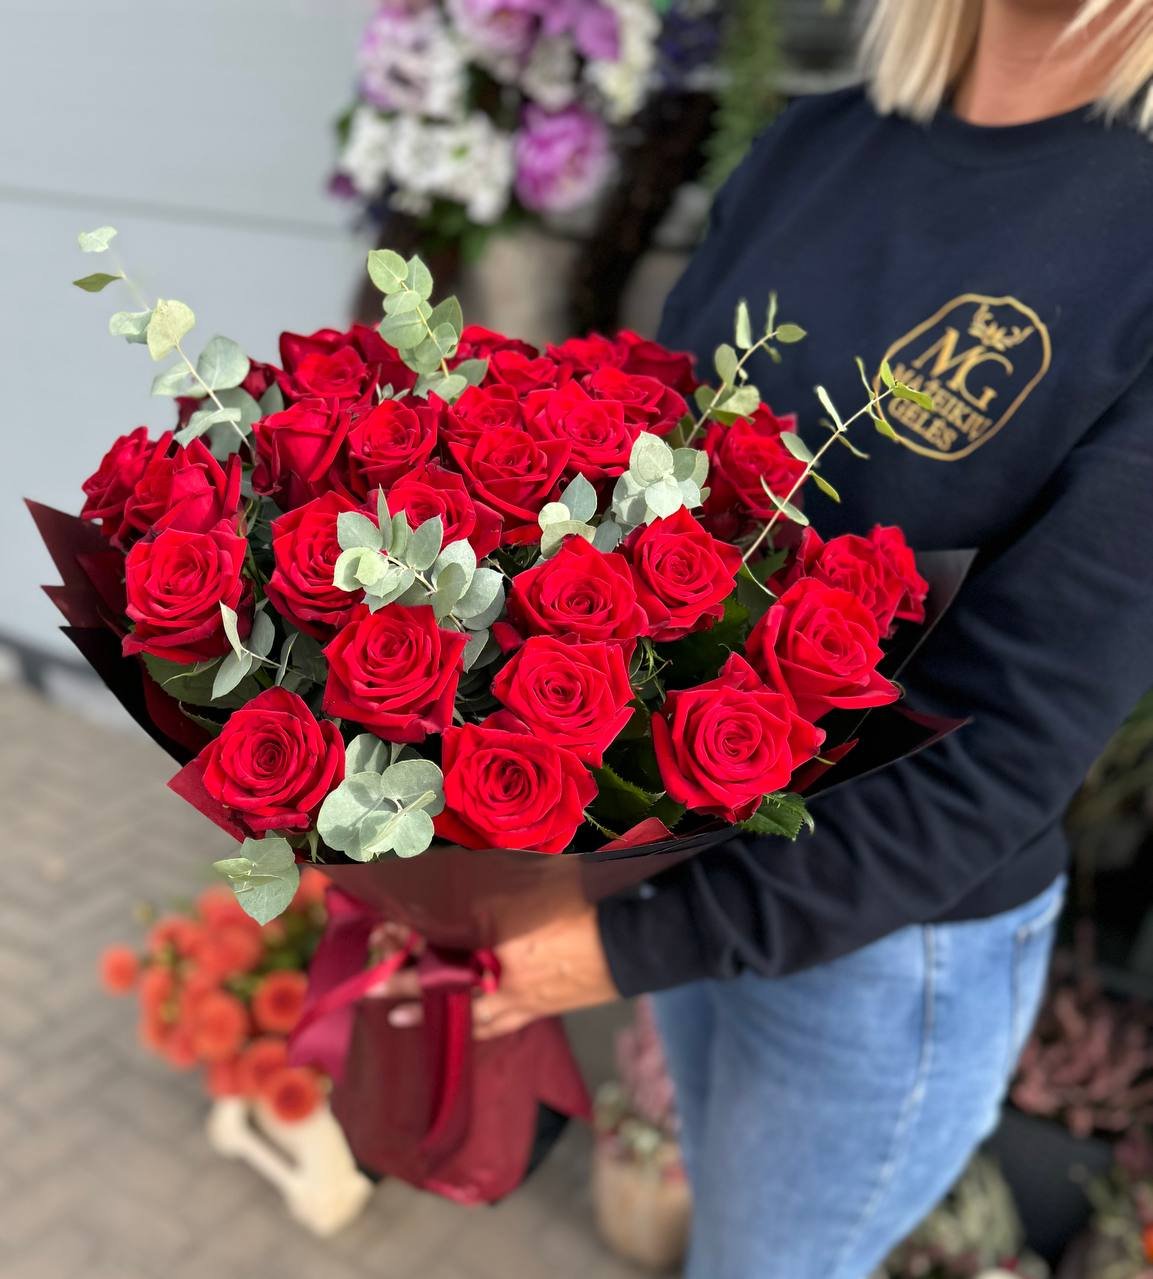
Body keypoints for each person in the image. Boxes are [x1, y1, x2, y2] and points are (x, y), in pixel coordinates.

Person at [380, 1, 1153, 1274]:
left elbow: (1009, 742)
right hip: (688, 852)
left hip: (889, 945)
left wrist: (609, 946)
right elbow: (646, 472)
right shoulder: (815, 145)